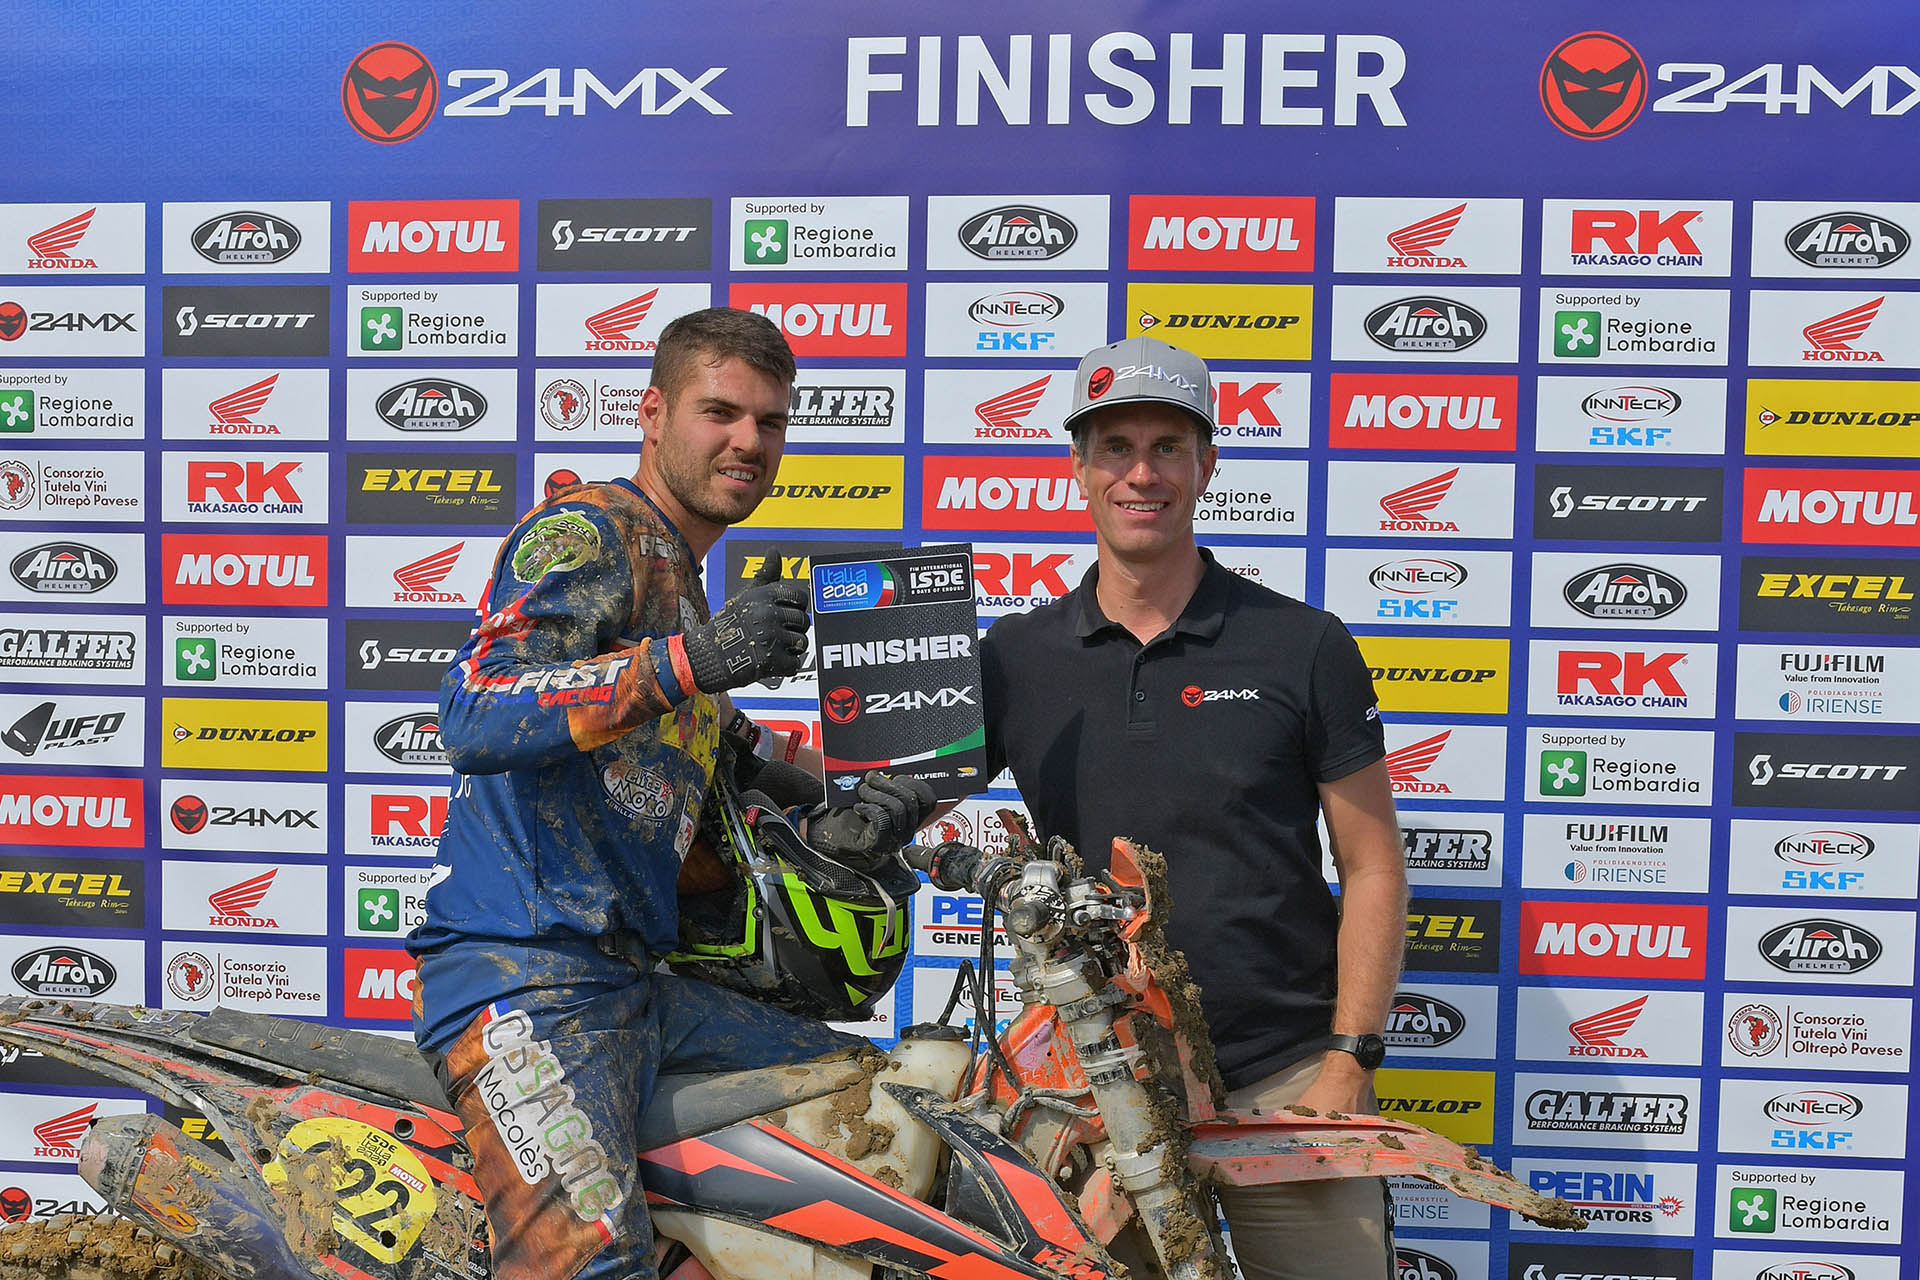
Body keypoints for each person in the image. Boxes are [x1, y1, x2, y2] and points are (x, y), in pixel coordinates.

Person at [408, 307, 930, 1280]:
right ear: (653, 414)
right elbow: (475, 710)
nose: (749, 441)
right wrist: (697, 657)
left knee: (868, 1099)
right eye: (719, 412)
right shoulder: (589, 530)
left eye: (770, 421)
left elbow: (739, 755)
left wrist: (898, 798)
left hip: (635, 983)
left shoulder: (686, 584)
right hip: (525, 978)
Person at [975, 335, 1407, 1280]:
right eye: (1116, 447)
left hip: (1288, 1078)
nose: (1143, 473)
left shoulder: (1302, 644)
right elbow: (890, 784)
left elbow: (1373, 864)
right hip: (1092, 1077)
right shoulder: (1014, 656)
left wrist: (1349, 1059)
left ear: (1207, 464)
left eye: (1168, 446)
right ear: (1079, 466)